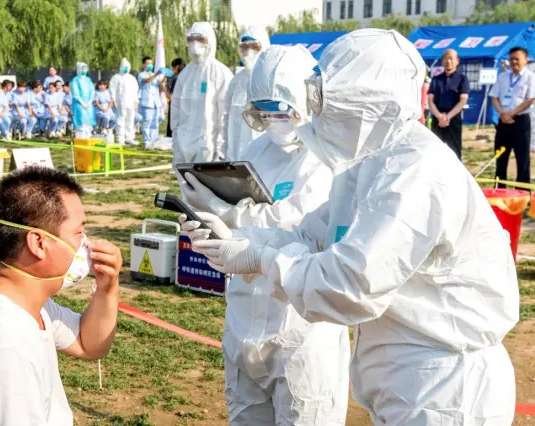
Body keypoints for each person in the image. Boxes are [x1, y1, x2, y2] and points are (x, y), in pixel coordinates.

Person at [184, 29, 519, 425]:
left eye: (324, 99)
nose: (316, 114)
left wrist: (260, 257)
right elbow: (311, 234)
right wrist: (235, 239)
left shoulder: (416, 172)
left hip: (447, 389)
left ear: (362, 104)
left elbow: (352, 282)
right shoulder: (366, 164)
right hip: (403, 377)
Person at [180, 45, 349, 425]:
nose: (274, 120)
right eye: (264, 111)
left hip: (301, 329)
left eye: (281, 109)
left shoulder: (327, 157)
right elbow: (243, 228)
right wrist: (208, 222)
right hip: (243, 320)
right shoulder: (257, 150)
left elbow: (301, 229)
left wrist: (231, 214)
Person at [0, 166, 122, 425]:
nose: (87, 244)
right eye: (78, 233)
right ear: (38, 244)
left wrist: (108, 287)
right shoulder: (3, 341)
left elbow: (89, 344)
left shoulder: (13, 297)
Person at [171, 22, 233, 163]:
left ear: (210, 41)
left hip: (207, 145)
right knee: (184, 184)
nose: (195, 43)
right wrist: (176, 143)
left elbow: (225, 114)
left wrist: (220, 149)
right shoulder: (185, 75)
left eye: (200, 39)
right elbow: (175, 111)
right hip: (183, 144)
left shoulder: (221, 73)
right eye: (191, 39)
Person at [221, 26, 271, 161]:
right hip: (235, 156)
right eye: (245, 47)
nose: (249, 51)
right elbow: (226, 117)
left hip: (262, 157)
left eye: (254, 46)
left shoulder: (271, 79)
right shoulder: (236, 81)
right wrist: (225, 149)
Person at [490, 46, 535, 187]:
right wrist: (502, 114)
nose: (513, 61)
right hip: (503, 121)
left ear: (526, 60)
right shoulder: (503, 77)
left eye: (517, 58)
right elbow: (494, 97)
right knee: (500, 157)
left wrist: (512, 113)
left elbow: (529, 100)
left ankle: (522, 192)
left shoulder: (530, 77)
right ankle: (499, 189)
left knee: (522, 159)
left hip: (521, 121)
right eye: (511, 59)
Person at [427, 49, 469, 160]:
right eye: (445, 58)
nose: (448, 61)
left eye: (451, 58)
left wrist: (448, 117)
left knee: (454, 150)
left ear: (457, 61)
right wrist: (440, 116)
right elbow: (430, 100)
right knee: (435, 150)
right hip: (438, 119)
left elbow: (463, 100)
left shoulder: (462, 79)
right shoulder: (436, 79)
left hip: (453, 118)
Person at [110, 58, 140, 146]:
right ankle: (120, 139)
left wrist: (136, 101)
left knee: (130, 119)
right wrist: (114, 100)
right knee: (120, 119)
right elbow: (112, 89)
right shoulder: (116, 77)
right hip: (120, 102)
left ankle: (129, 137)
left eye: (127, 67)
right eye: (125, 67)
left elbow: (135, 90)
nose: (126, 68)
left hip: (131, 102)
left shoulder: (132, 78)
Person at [138, 56, 164, 147]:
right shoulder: (141, 74)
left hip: (156, 102)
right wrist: (157, 74)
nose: (150, 65)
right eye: (148, 63)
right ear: (144, 64)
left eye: (151, 63)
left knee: (155, 122)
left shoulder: (154, 75)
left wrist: (164, 77)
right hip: (147, 102)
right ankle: (147, 141)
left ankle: (154, 140)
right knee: (146, 122)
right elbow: (147, 80)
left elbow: (160, 86)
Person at [71, 62, 96, 137]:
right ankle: (80, 137)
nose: (84, 70)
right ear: (79, 69)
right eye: (83, 69)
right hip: (79, 103)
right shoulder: (75, 80)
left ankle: (88, 136)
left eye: (85, 69)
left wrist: (89, 101)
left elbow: (92, 90)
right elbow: (75, 92)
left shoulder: (88, 79)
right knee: (80, 119)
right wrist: (82, 102)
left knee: (89, 119)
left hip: (89, 104)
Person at [166, 57, 186, 138]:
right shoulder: (187, 77)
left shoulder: (177, 79)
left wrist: (162, 87)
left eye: (173, 68)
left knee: (173, 124)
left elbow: (171, 97)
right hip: (185, 105)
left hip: (175, 105)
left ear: (177, 67)